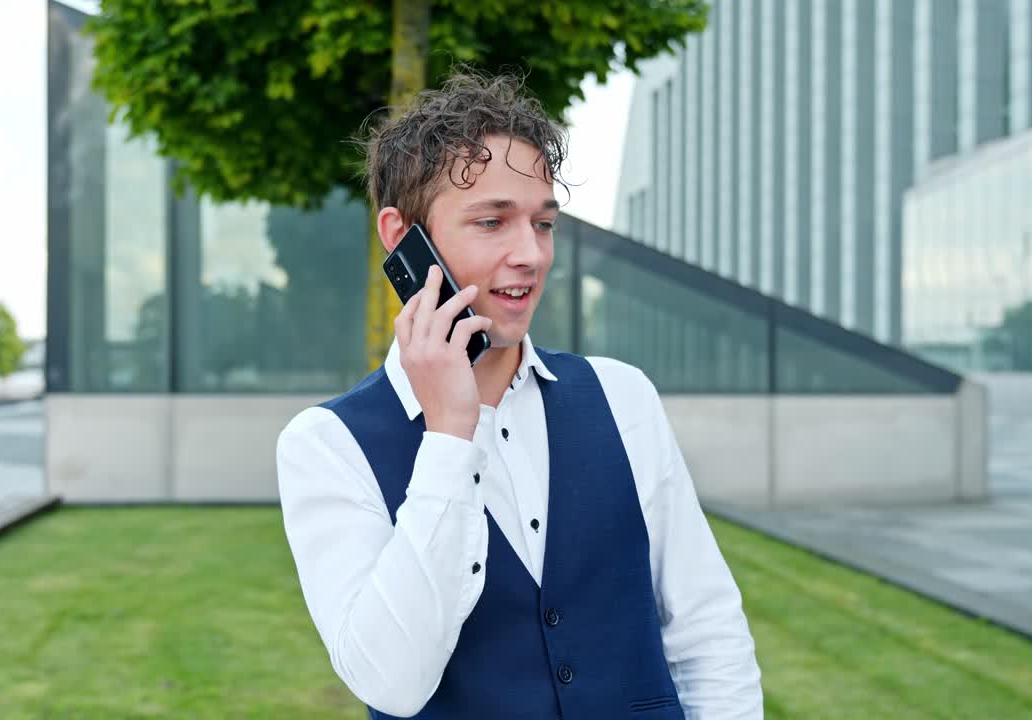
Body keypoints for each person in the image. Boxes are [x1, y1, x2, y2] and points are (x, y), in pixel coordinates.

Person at [277, 71, 763, 720]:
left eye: (543, 223)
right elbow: (392, 684)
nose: (530, 254)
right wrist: (449, 436)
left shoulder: (623, 397)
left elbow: (708, 632)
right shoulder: (327, 445)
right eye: (492, 222)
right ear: (400, 236)